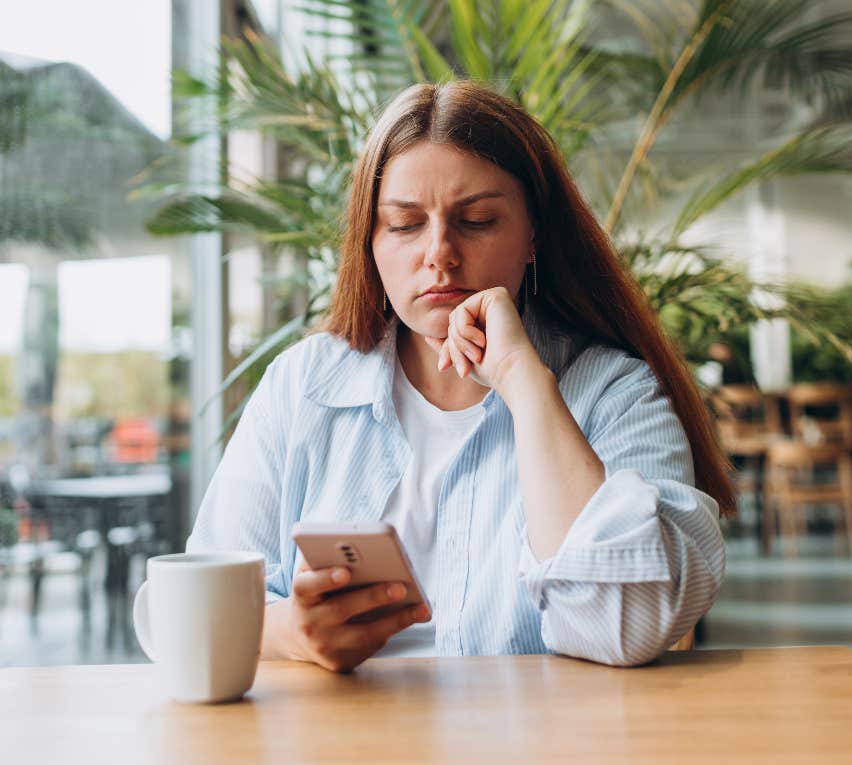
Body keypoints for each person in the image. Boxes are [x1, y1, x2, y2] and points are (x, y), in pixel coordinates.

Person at [188, 81, 732, 672]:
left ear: (533, 238)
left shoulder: (614, 392)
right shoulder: (304, 386)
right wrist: (292, 633)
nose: (439, 254)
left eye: (476, 220)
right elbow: (192, 605)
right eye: (403, 225)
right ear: (369, 242)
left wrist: (526, 383)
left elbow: (627, 624)